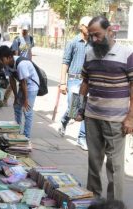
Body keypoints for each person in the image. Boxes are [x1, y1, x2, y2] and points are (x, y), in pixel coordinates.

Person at [77, 16, 133, 200]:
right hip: (92, 116)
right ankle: (93, 200)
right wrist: (77, 109)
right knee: (94, 162)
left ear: (110, 31)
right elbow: (85, 82)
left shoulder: (127, 54)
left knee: (115, 167)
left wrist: (130, 118)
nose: (94, 40)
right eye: (91, 36)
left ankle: (114, 204)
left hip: (117, 121)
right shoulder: (89, 53)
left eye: (97, 35)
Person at [58, 16, 92, 151]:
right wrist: (62, 83)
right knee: (74, 108)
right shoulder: (73, 42)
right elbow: (65, 63)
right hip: (74, 79)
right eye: (88, 26)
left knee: (86, 109)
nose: (90, 29)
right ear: (81, 27)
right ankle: (64, 120)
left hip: (88, 80)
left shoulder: (94, 44)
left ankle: (81, 137)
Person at [0, 45, 39, 138]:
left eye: (1, 59)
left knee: (27, 110)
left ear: (9, 57)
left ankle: (26, 136)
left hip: (31, 85)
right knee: (16, 106)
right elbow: (12, 80)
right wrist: (16, 96)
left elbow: (24, 83)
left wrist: (26, 100)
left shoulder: (21, 64)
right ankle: (17, 130)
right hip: (24, 85)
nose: (0, 62)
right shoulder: (6, 65)